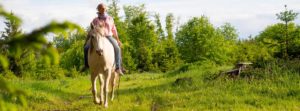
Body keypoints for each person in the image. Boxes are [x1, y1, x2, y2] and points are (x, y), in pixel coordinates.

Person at [83, 3, 124, 75]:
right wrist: (87, 40)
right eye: (101, 8)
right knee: (86, 48)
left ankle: (118, 67)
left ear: (106, 9)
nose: (103, 9)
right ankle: (86, 65)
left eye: (104, 8)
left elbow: (114, 29)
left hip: (108, 36)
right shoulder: (95, 20)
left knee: (117, 48)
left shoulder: (110, 18)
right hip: (97, 37)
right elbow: (91, 30)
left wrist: (117, 39)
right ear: (98, 9)